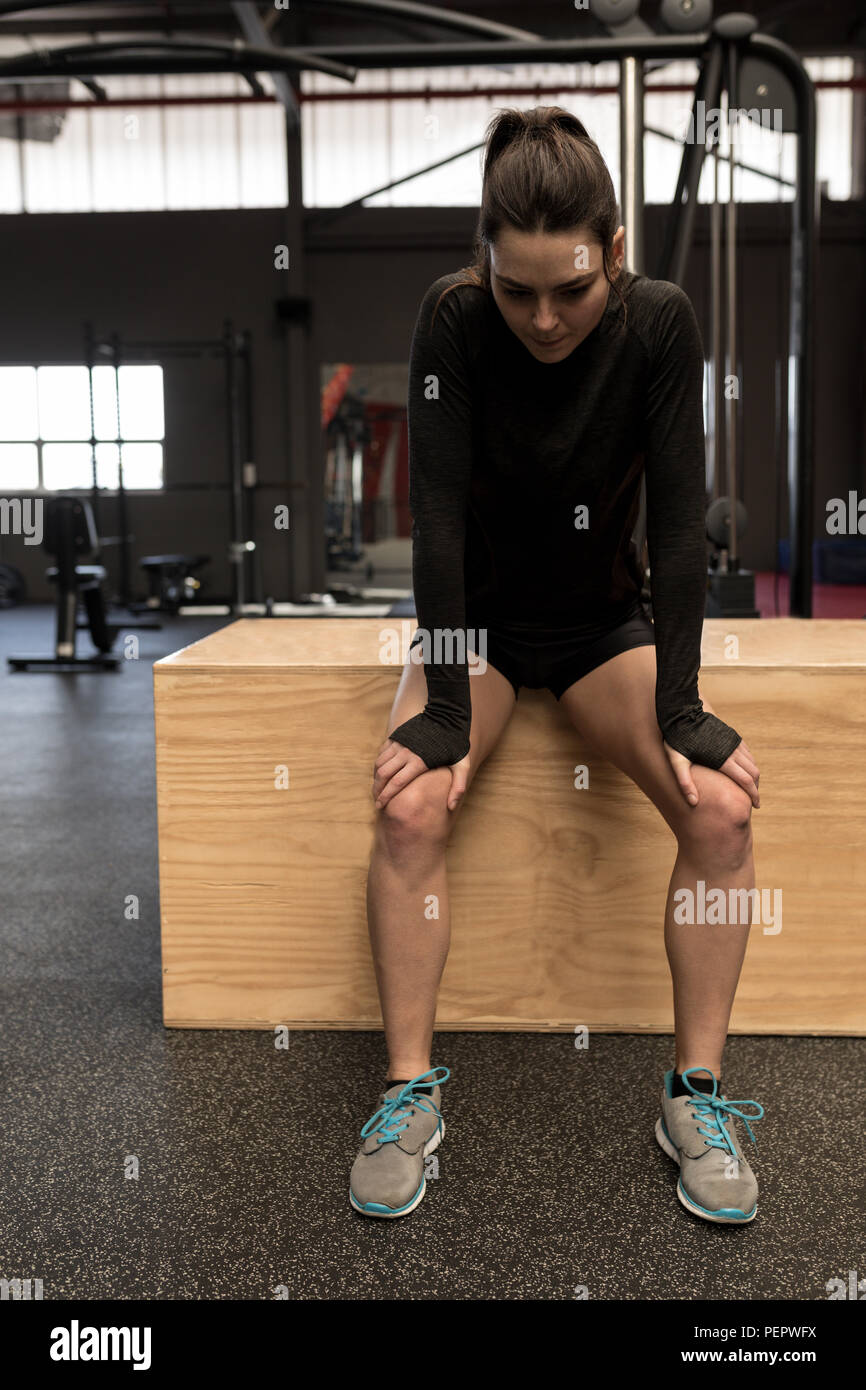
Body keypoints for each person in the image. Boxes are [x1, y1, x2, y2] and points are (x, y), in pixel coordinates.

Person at [349, 106, 764, 1224]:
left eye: (568, 291)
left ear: (612, 254)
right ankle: (404, 1093)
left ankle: (695, 1094)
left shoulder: (660, 328)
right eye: (513, 287)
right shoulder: (451, 322)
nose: (539, 317)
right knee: (406, 807)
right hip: (471, 624)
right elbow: (432, 523)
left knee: (720, 811)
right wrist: (441, 708)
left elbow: (679, 529)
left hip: (593, 627)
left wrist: (678, 704)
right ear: (481, 260)